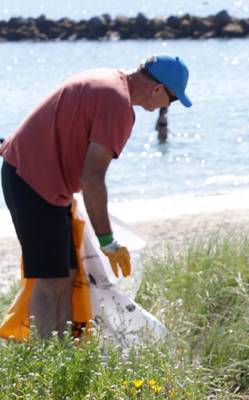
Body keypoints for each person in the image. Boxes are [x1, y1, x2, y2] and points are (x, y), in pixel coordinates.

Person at [0, 55, 191, 339]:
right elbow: (93, 177)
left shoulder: (107, 79)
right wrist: (107, 241)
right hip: (34, 182)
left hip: (35, 178)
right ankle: (46, 359)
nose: (167, 107)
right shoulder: (119, 106)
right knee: (50, 280)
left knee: (64, 276)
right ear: (157, 89)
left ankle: (62, 354)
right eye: (172, 100)